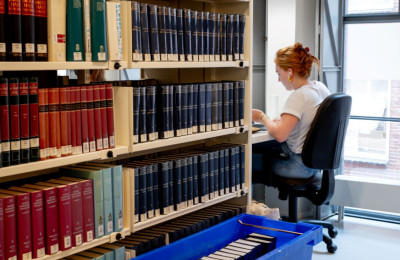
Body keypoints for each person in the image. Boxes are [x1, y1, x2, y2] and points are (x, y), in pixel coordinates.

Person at [252, 42, 331, 183]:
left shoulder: (300, 95)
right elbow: (309, 123)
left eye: (278, 73)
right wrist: (283, 123)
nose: (278, 79)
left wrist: (262, 117)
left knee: (244, 161)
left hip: (297, 166)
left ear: (290, 72)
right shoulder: (320, 88)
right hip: (314, 165)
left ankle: (248, 204)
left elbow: (280, 135)